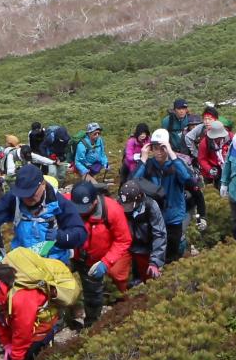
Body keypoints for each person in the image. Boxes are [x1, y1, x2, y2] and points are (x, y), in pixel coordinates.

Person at [0, 167, 86, 256]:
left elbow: (80, 233)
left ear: (43, 184)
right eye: (23, 194)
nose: (27, 198)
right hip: (24, 260)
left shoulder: (59, 202)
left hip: (53, 261)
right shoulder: (14, 198)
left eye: (31, 193)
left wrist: (61, 237)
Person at [70, 179, 131, 326]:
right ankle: (67, 317)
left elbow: (123, 240)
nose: (81, 213)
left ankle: (91, 324)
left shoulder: (113, 210)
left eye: (85, 209)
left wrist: (105, 262)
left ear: (95, 202)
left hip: (94, 262)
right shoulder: (67, 202)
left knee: (93, 295)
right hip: (71, 255)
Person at [0, 260, 61, 360]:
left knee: (33, 359)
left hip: (41, 325)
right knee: (22, 355)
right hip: (25, 324)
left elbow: (23, 332)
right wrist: (7, 344)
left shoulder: (20, 299)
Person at [139, 129, 196, 264]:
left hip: (173, 217)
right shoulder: (148, 165)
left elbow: (188, 179)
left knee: (172, 253)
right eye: (155, 148)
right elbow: (132, 183)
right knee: (155, 253)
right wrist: (143, 159)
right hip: (154, 217)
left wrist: (172, 154)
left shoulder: (176, 164)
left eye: (162, 148)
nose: (158, 152)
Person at [120, 178, 167, 283]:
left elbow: (159, 234)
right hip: (127, 246)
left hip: (146, 248)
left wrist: (155, 262)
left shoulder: (151, 206)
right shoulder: (120, 204)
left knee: (149, 278)